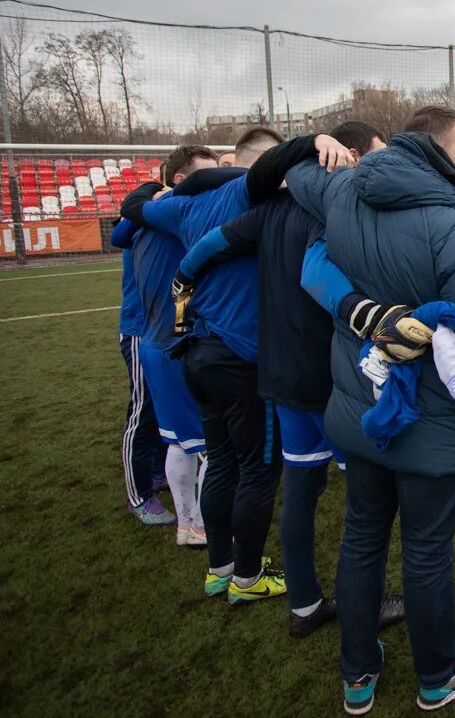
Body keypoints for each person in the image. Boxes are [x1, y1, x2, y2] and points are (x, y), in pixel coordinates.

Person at [284, 106, 455, 715]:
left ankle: (357, 673)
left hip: (358, 411)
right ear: (437, 152)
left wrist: (316, 142)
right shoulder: (453, 229)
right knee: (426, 552)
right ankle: (438, 673)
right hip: (426, 424)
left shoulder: (343, 192)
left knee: (362, 539)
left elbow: (296, 173)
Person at [172, 122, 404, 638]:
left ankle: (303, 604)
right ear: (347, 157)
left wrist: (182, 283)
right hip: (337, 378)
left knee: (301, 490)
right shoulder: (339, 210)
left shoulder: (268, 212)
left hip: (282, 378)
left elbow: (210, 244)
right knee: (367, 501)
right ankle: (365, 605)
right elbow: (332, 280)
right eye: (375, 158)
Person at [121, 126, 352, 604]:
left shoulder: (183, 207)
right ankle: (247, 577)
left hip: (197, 352)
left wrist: (183, 273)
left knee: (221, 460)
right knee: (258, 471)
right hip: (242, 358)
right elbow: (262, 172)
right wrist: (314, 139)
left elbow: (134, 210)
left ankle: (219, 567)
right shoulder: (249, 196)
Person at [113, 145, 222, 544]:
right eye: (209, 176)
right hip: (155, 333)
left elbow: (120, 230)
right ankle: (149, 499)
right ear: (181, 182)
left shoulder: (154, 208)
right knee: (154, 419)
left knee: (178, 437)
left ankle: (185, 519)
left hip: (164, 335)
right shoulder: (175, 210)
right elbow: (120, 232)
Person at [113, 211, 172, 527]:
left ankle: (157, 471)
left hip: (161, 330)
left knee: (161, 408)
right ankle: (138, 496)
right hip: (140, 331)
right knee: (143, 410)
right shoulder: (142, 220)